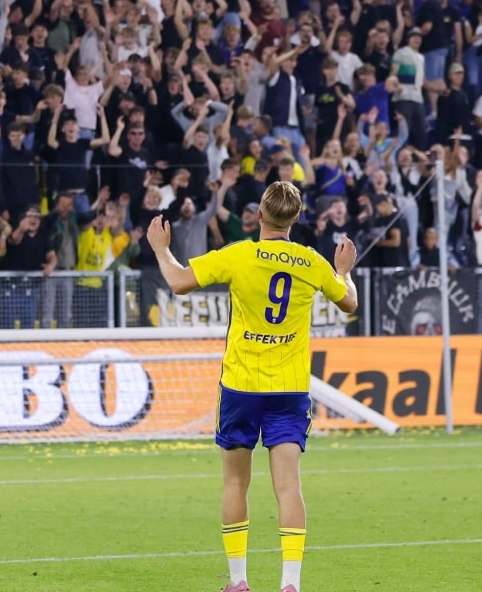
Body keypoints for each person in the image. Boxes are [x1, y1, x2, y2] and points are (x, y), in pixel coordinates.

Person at [146, 181, 358, 592]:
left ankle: (239, 581)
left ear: (259, 215)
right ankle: (290, 584)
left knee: (235, 483)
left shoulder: (240, 255)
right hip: (290, 387)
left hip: (241, 386)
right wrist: (344, 273)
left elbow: (178, 281)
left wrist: (160, 247)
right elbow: (349, 302)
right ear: (296, 219)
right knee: (289, 486)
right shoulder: (310, 262)